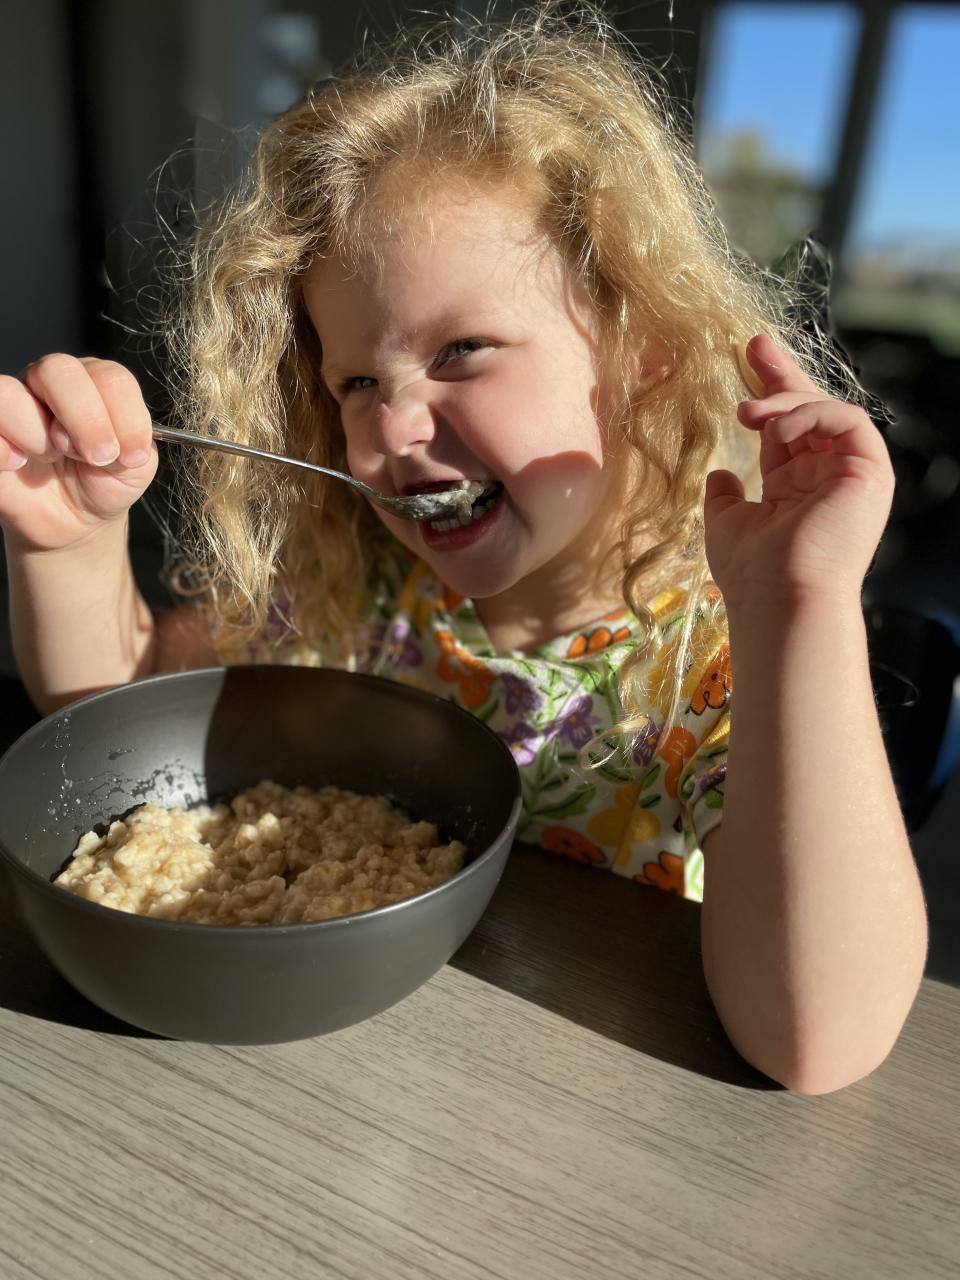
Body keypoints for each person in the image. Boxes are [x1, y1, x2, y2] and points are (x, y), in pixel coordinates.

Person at [0, 3, 927, 1091]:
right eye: (358, 381)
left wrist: (799, 608)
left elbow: (818, 1039)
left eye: (464, 350)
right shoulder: (356, 588)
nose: (395, 430)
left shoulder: (716, 666)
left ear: (645, 351)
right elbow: (120, 730)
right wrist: (70, 543)